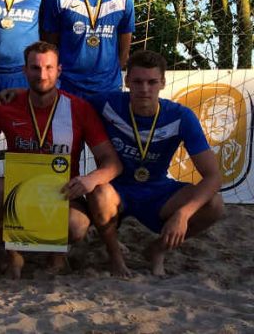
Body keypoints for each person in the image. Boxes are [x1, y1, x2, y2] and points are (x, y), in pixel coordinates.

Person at [0, 41, 122, 276]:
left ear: (59, 70)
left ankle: (57, 257)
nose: (42, 75)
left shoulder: (79, 109)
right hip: (19, 191)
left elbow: (112, 162)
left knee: (78, 225)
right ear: (24, 71)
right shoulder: (6, 105)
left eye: (49, 68)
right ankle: (13, 253)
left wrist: (90, 180)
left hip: (61, 193)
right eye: (35, 68)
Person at [87, 50, 224, 276]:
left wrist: (183, 214)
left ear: (163, 82)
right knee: (98, 192)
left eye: (152, 82)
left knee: (215, 205)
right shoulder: (106, 103)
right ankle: (115, 256)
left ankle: (156, 250)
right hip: (117, 189)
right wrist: (20, 93)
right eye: (138, 81)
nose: (144, 89)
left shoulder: (181, 116)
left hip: (158, 191)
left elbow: (213, 176)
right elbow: (60, 99)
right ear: (127, 81)